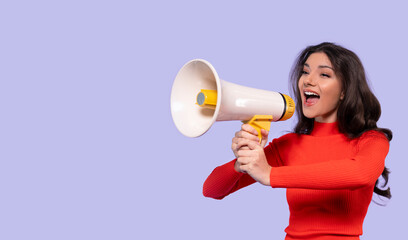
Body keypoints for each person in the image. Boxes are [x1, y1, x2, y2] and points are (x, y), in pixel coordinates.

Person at [202, 42, 392, 240]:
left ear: (344, 91)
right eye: (304, 72)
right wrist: (242, 161)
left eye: (324, 74)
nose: (308, 81)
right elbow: (211, 190)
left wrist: (270, 175)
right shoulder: (289, 144)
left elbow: (360, 173)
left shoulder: (372, 141)